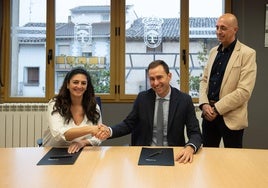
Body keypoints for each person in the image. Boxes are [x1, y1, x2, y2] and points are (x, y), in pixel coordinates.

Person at [97, 60, 202, 163]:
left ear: (169, 76)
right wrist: (109, 131)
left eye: (159, 77)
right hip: (144, 153)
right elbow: (128, 124)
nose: (156, 83)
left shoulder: (184, 100)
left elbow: (195, 132)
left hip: (174, 154)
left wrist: (190, 148)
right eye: (152, 79)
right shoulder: (142, 98)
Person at [199, 13, 257, 148]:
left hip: (231, 117)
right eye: (217, 27)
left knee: (234, 161)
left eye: (223, 28)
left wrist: (217, 109)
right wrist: (204, 104)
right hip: (208, 115)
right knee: (208, 158)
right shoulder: (213, 51)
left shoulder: (247, 54)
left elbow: (244, 91)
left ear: (235, 29)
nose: (219, 32)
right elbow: (204, 81)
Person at [43, 66, 102, 153]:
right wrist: (91, 129)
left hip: (83, 151)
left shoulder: (94, 106)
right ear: (67, 84)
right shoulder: (55, 104)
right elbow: (59, 134)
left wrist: (83, 143)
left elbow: (98, 137)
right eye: (75, 82)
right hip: (54, 151)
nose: (79, 86)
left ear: (87, 87)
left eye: (83, 83)